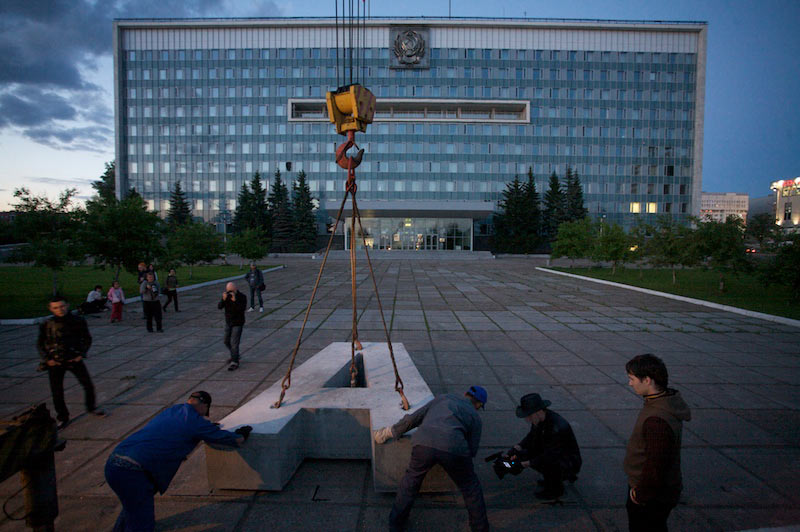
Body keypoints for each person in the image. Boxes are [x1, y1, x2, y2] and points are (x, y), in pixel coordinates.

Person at [104, 391, 253, 531]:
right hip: (134, 473)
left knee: (132, 507)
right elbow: (234, 440)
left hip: (114, 464)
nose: (204, 417)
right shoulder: (196, 423)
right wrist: (241, 435)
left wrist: (205, 427)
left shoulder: (173, 410)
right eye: (204, 413)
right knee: (142, 521)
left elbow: (177, 428)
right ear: (204, 405)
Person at [374, 386, 490, 532]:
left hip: (423, 443)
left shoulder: (443, 398)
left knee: (410, 482)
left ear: (465, 393)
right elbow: (472, 450)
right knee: (471, 488)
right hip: (454, 449)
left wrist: (388, 432)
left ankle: (395, 524)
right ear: (479, 404)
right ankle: (480, 529)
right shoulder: (475, 417)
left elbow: (413, 419)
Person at [624, 354, 691, 532]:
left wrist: (639, 495)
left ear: (647, 380)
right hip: (656, 490)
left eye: (632, 379)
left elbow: (656, 465)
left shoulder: (657, 421)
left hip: (651, 494)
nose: (630, 383)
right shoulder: (664, 401)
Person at [37, 295, 106, 430]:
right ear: (51, 309)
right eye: (55, 308)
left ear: (67, 305)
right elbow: (40, 343)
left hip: (73, 359)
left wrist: (81, 354)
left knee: (88, 385)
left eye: (62, 306)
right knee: (57, 391)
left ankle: (91, 407)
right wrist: (47, 359)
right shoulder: (46, 324)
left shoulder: (77, 320)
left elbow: (86, 338)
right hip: (55, 362)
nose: (60, 310)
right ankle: (62, 417)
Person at [504, 393, 582, 500]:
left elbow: (550, 456)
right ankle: (550, 480)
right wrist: (518, 447)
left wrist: (524, 464)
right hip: (551, 453)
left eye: (528, 415)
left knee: (547, 463)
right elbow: (531, 436)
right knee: (522, 455)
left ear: (539, 411)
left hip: (567, 461)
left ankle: (556, 489)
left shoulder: (556, 428)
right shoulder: (539, 419)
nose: (527, 419)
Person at [217, 281, 247, 371]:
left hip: (238, 322)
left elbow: (241, 309)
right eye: (228, 290)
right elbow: (219, 307)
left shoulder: (242, 297)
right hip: (229, 322)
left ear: (235, 288)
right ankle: (235, 355)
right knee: (226, 341)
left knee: (234, 343)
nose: (230, 292)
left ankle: (235, 361)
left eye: (231, 290)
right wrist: (223, 299)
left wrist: (235, 301)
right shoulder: (226, 296)